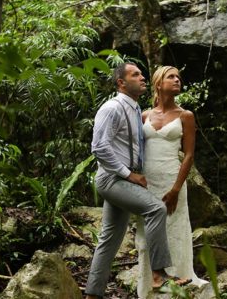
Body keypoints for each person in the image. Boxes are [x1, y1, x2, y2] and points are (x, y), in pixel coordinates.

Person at [85, 63, 191, 299]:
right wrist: (129, 174)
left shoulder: (136, 110)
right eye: (135, 75)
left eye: (142, 74)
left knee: (109, 240)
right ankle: (159, 276)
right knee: (155, 209)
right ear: (121, 83)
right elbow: (99, 147)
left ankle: (92, 294)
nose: (142, 77)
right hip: (113, 179)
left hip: (125, 180)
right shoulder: (112, 108)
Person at [135, 65, 208, 298]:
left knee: (173, 230)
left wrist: (176, 188)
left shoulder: (185, 116)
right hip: (147, 182)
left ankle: (177, 285)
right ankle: (149, 286)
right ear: (159, 83)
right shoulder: (144, 115)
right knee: (148, 234)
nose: (177, 80)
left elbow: (188, 155)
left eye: (179, 77)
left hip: (171, 180)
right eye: (171, 76)